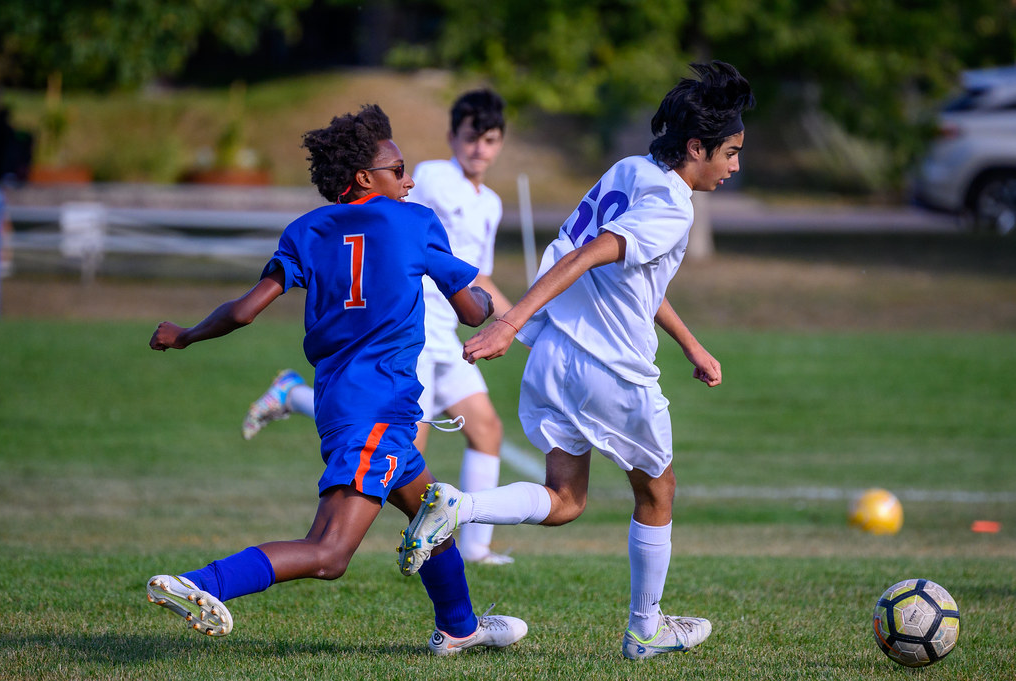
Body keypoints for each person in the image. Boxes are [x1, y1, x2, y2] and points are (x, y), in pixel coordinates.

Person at [397, 61, 755, 660]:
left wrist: (691, 343)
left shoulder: (629, 171)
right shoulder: (673, 204)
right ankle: (645, 630)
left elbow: (633, 276)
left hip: (556, 358)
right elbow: (591, 254)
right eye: (731, 152)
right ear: (697, 146)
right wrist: (508, 322)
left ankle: (458, 505)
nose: (735, 165)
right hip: (610, 369)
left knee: (565, 499)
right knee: (658, 492)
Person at [144, 104, 527, 656]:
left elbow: (245, 311)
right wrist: (489, 299)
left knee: (432, 510)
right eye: (399, 169)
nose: (410, 178)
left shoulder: (306, 231)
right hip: (380, 408)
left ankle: (460, 629)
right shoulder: (416, 221)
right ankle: (202, 584)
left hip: (342, 404)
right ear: (366, 178)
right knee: (329, 553)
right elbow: (471, 312)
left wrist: (185, 335)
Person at [241, 89, 515, 566]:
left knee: (485, 430)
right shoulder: (430, 181)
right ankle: (431, 543)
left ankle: (471, 563)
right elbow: (386, 229)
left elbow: (471, 270)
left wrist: (512, 320)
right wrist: (502, 315)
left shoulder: (489, 202)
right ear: (453, 137)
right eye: (472, 137)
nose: (480, 149)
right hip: (408, 327)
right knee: (399, 450)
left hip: (446, 330)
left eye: (490, 140)